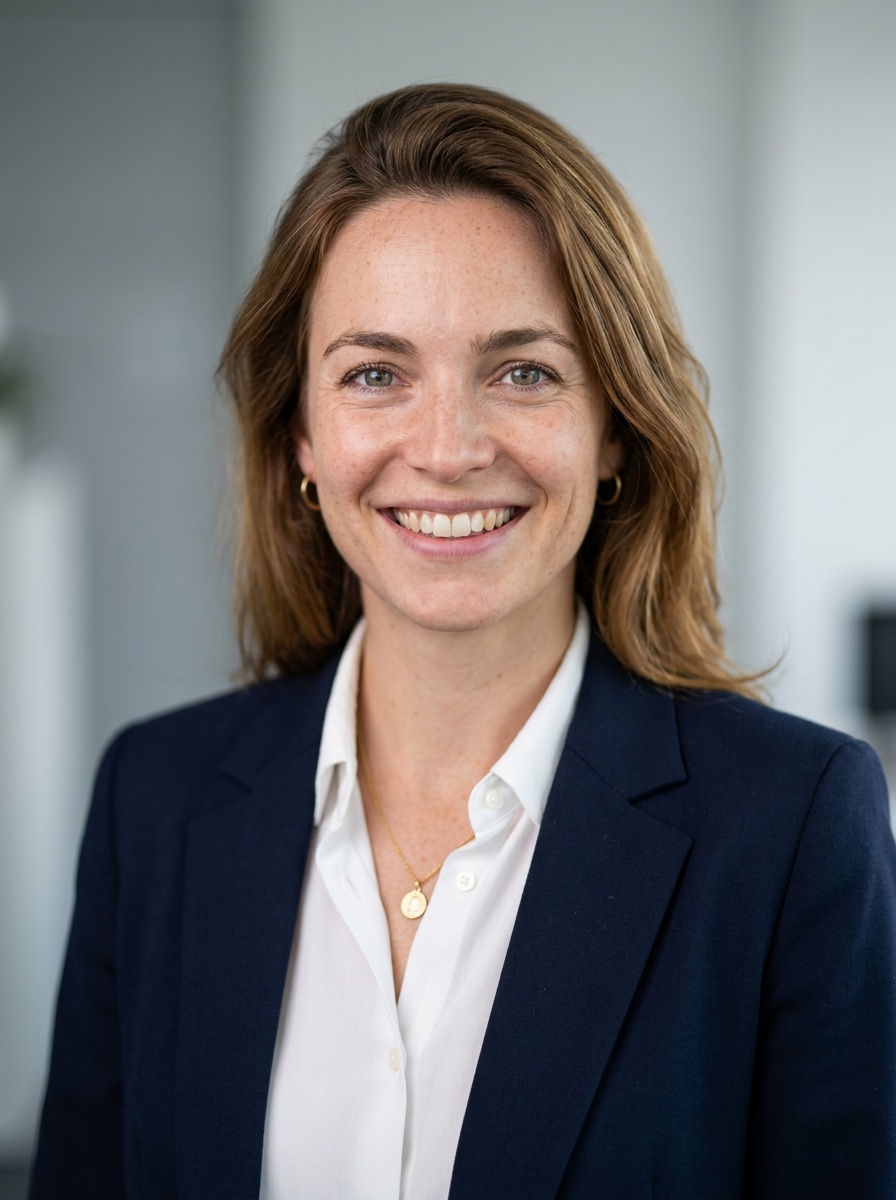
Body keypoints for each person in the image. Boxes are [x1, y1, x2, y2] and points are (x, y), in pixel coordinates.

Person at [30, 83, 896, 1200]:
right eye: (375, 375)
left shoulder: (788, 826)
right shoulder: (153, 799)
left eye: (521, 371)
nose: (444, 449)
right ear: (300, 434)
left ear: (614, 431)